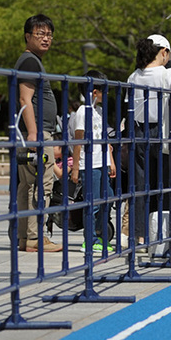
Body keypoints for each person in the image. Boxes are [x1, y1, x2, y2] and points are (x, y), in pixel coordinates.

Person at [127, 34, 171, 249]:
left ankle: (140, 236)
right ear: (163, 52)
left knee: (141, 186)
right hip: (163, 132)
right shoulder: (168, 75)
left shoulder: (133, 76)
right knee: (165, 185)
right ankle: (164, 235)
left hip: (138, 132)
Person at [14, 14, 61, 252]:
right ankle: (36, 238)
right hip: (36, 133)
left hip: (33, 132)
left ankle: (26, 238)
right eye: (40, 34)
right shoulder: (30, 62)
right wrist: (34, 134)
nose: (46, 39)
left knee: (28, 185)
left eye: (49, 34)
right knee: (41, 185)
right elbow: (25, 98)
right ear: (27, 36)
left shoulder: (30, 61)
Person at [70, 70, 117, 254]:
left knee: (107, 199)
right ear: (94, 92)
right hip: (89, 164)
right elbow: (78, 140)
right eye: (103, 91)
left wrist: (110, 161)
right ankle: (90, 239)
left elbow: (104, 138)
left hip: (102, 162)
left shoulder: (99, 112)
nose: (106, 95)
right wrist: (75, 168)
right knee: (93, 203)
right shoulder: (83, 112)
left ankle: (99, 235)